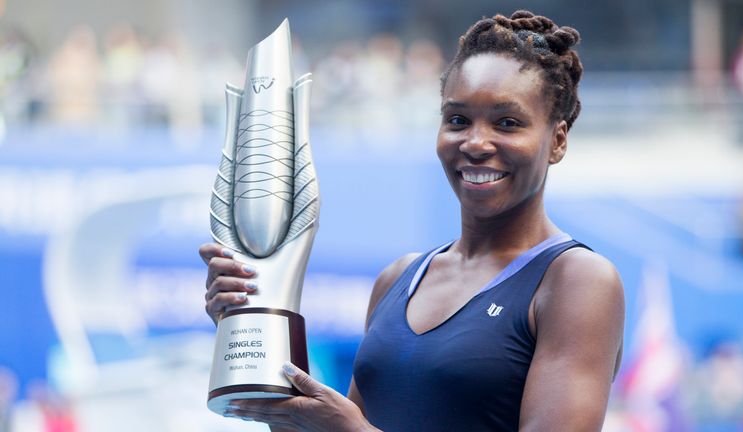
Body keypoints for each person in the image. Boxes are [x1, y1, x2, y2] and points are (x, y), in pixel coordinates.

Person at [200, 10, 625, 431]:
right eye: (457, 120)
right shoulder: (398, 278)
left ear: (558, 140)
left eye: (507, 123)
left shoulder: (577, 282)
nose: (476, 142)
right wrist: (248, 325)